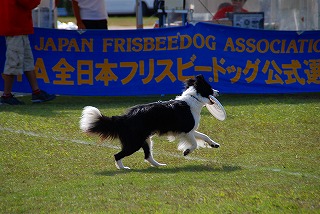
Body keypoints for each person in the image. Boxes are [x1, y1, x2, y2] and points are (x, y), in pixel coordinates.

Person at [0, 0, 56, 105]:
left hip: (17, 26)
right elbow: (29, 2)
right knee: (13, 61)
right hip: (16, 26)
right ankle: (6, 95)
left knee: (27, 61)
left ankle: (36, 92)